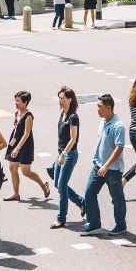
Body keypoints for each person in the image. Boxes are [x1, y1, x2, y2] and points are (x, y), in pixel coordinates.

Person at [80, 94, 127, 236]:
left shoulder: (118, 125)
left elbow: (119, 148)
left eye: (100, 107)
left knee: (117, 199)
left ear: (109, 107)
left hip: (112, 170)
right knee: (89, 193)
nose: (97, 110)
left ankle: (121, 225)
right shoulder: (102, 121)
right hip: (98, 166)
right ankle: (94, 224)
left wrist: (106, 166)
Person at [3, 91, 50, 201]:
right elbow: (16, 128)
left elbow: (26, 133)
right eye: (15, 100)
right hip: (15, 143)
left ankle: (44, 186)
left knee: (26, 172)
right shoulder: (17, 113)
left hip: (24, 146)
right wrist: (13, 142)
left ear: (25, 102)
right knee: (12, 168)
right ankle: (16, 194)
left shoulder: (29, 116)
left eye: (18, 101)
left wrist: (17, 148)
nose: (16, 103)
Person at [51, 87, 84, 229]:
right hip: (61, 153)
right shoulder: (62, 113)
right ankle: (81, 202)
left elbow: (73, 139)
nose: (61, 100)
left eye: (63, 98)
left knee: (62, 186)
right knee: (58, 184)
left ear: (70, 99)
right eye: (59, 98)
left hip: (69, 154)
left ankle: (61, 218)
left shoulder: (73, 117)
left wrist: (63, 154)